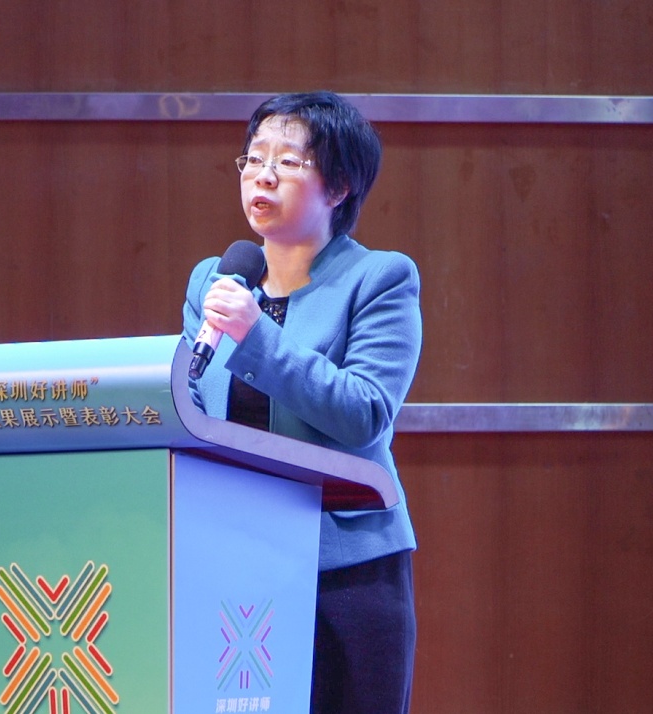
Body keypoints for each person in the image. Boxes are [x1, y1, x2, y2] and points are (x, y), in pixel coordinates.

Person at [182, 91, 422, 713]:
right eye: (253, 158)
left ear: (339, 187)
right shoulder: (216, 280)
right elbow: (188, 402)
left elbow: (365, 413)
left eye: (288, 162)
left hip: (343, 570)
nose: (263, 175)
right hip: (232, 558)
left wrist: (256, 335)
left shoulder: (380, 279)